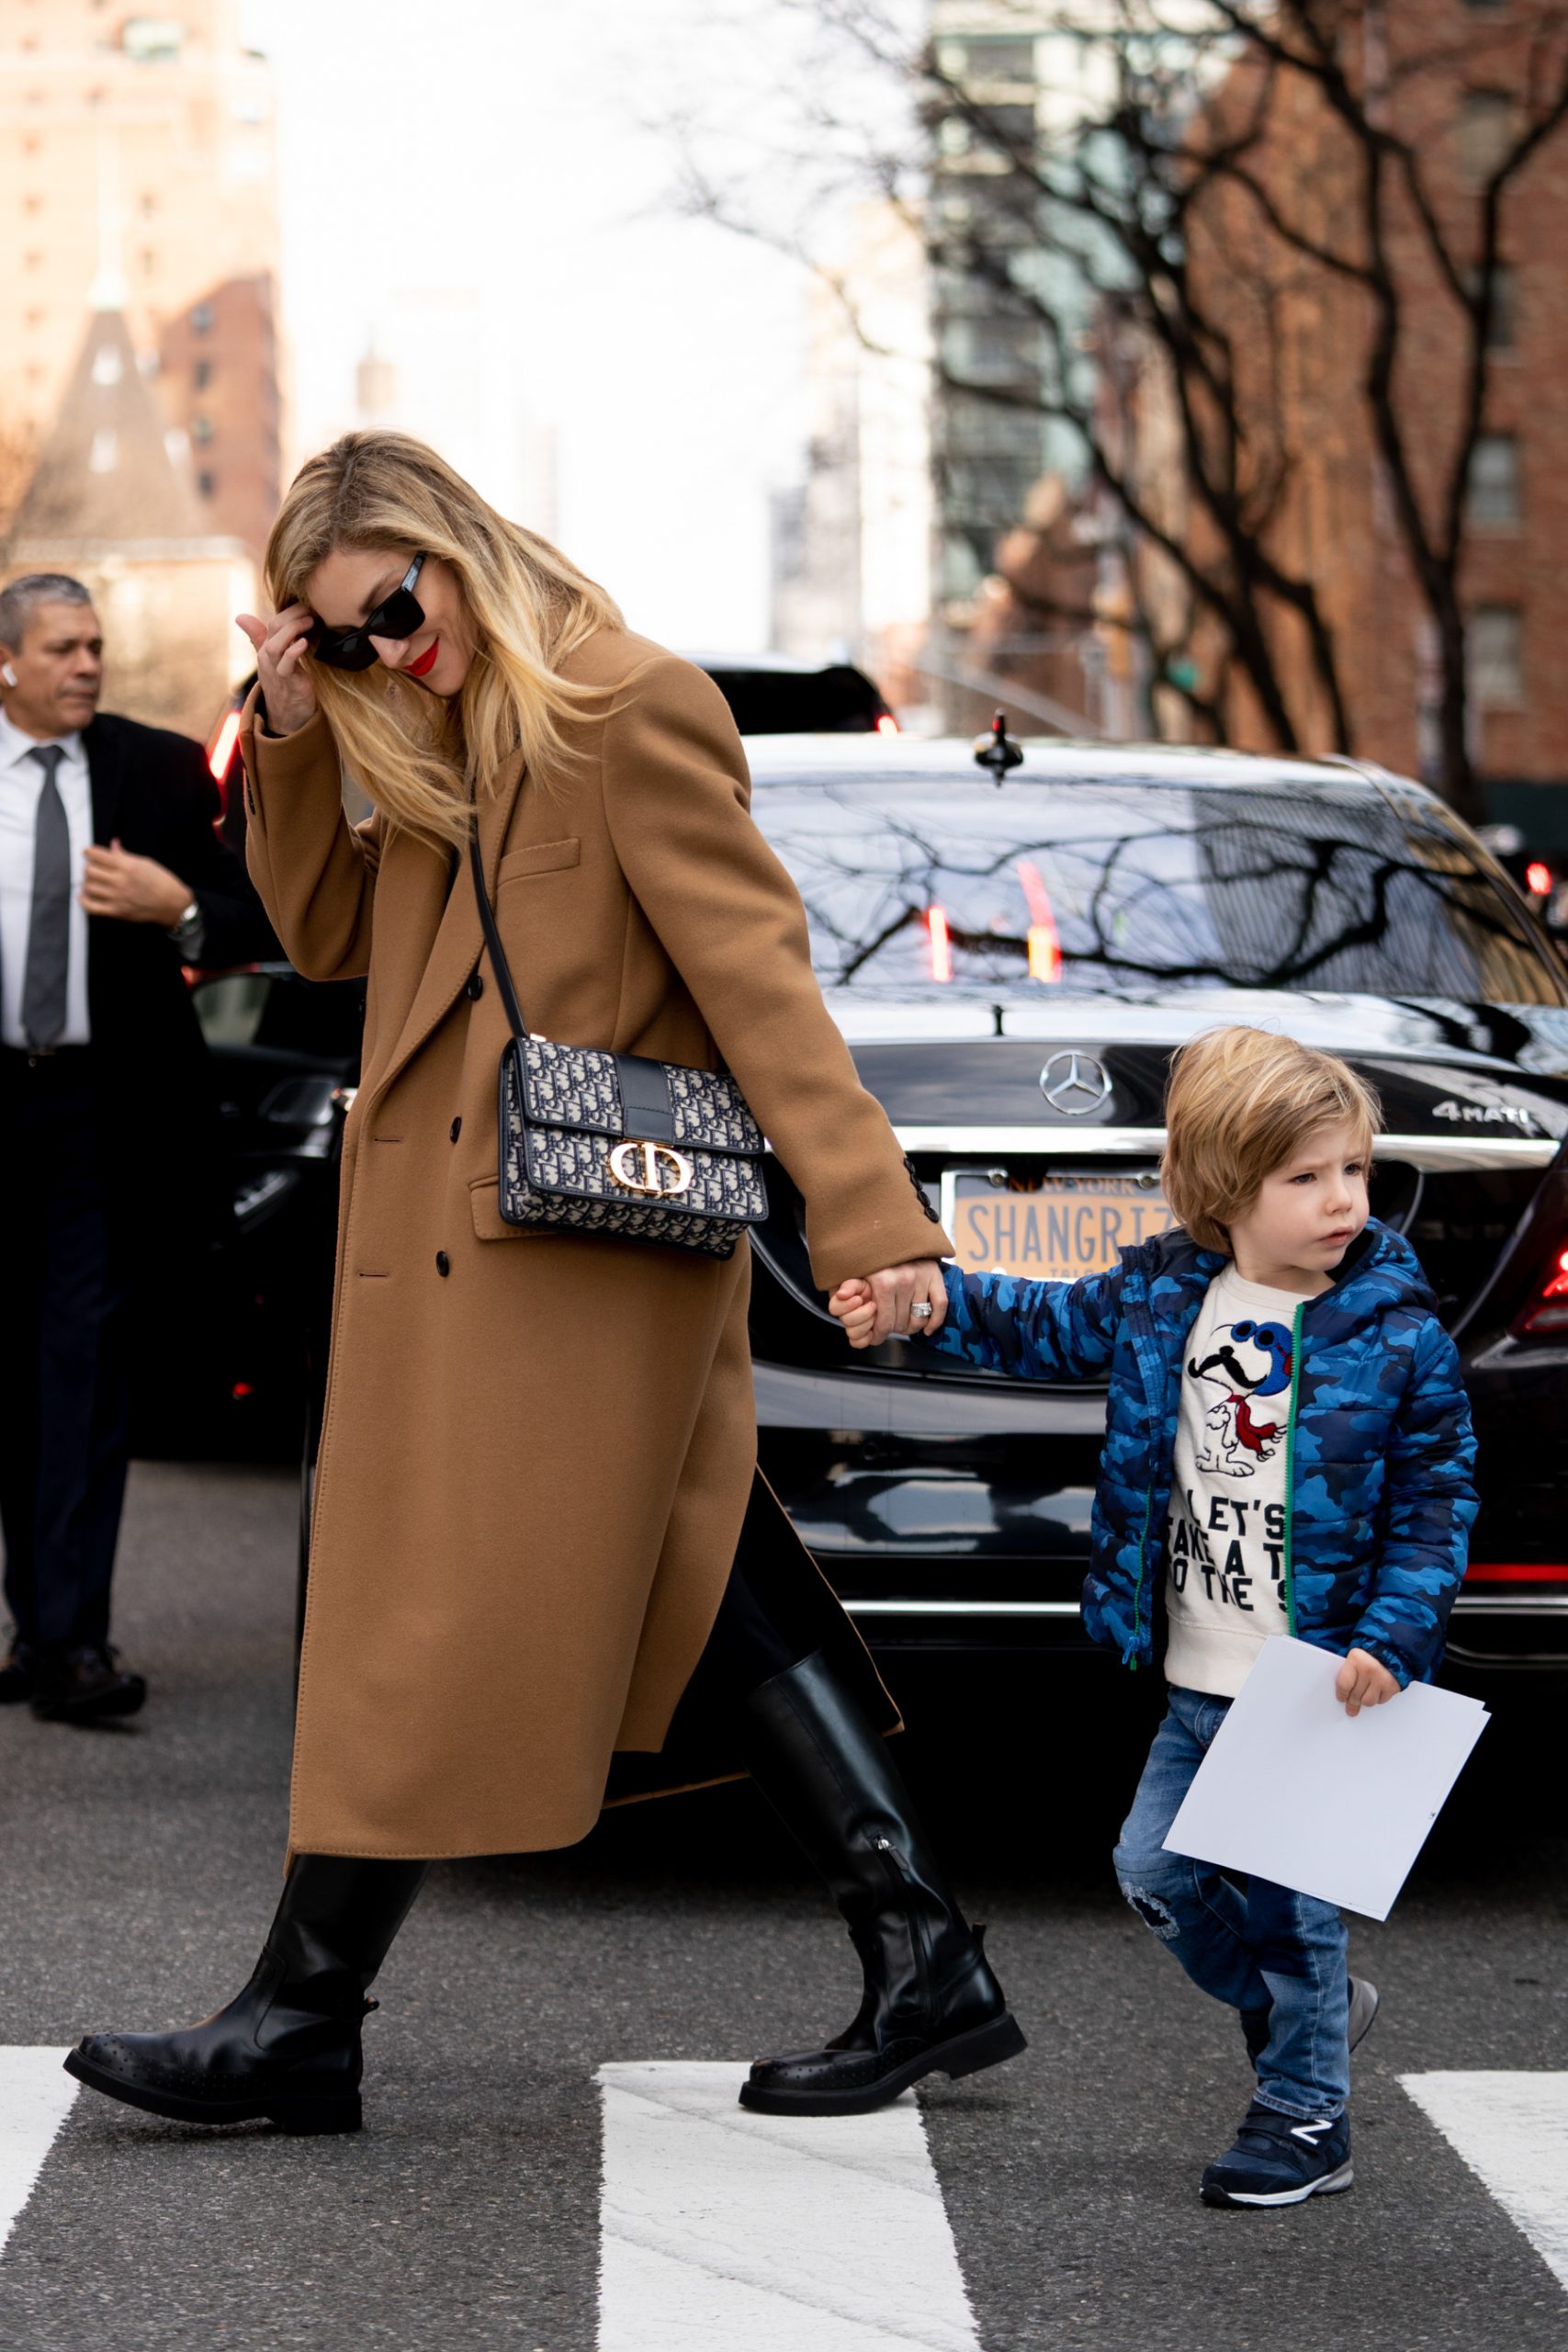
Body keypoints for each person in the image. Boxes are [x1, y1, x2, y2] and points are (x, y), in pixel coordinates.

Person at [63, 430, 1023, 2135]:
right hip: (472, 1257)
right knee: (690, 1575)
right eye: (343, 633)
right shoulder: (435, 734)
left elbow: (759, 982)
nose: (388, 648)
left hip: (581, 1254)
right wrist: (290, 730)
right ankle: (921, 1952)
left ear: (458, 547)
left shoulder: (618, 704)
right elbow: (327, 938)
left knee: (428, 1617)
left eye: (395, 605)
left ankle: (300, 2017)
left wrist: (872, 1221)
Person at [830, 1025, 1478, 2208]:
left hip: (1318, 1680)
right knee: (1153, 1872)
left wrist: (1391, 1635)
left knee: (1294, 1908)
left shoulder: (1397, 1336)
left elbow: (1437, 1502)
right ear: (1226, 1190)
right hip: (1199, 1672)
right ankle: (1306, 2015)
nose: (1344, 1199)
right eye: (1308, 1177)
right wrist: (920, 1303)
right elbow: (1037, 1324)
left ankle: (1305, 2112)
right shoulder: (1168, 1293)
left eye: (1355, 1171)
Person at [0, 572, 276, 1724]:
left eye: (96, 646)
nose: (87, 666)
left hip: (97, 1117)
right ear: (5, 663)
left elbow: (267, 919)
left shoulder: (156, 770)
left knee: (81, 1368)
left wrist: (178, 907)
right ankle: (40, 1621)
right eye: (62, 648)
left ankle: (72, 1640)